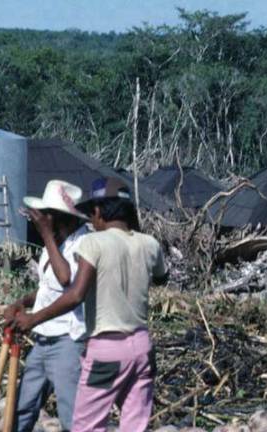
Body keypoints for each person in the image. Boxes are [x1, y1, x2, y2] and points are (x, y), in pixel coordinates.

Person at [11, 177, 168, 432]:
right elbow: (162, 278)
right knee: (134, 425)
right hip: (142, 347)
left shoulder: (92, 243)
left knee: (86, 425)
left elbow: (75, 294)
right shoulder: (149, 244)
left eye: (92, 213)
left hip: (107, 347)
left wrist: (33, 318)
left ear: (98, 211)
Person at [4, 180, 91, 432]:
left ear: (60, 217)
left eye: (47, 216)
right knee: (22, 406)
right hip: (43, 338)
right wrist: (21, 303)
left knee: (70, 415)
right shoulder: (56, 242)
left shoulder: (83, 243)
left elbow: (66, 281)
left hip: (67, 340)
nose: (42, 221)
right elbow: (48, 287)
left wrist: (45, 236)